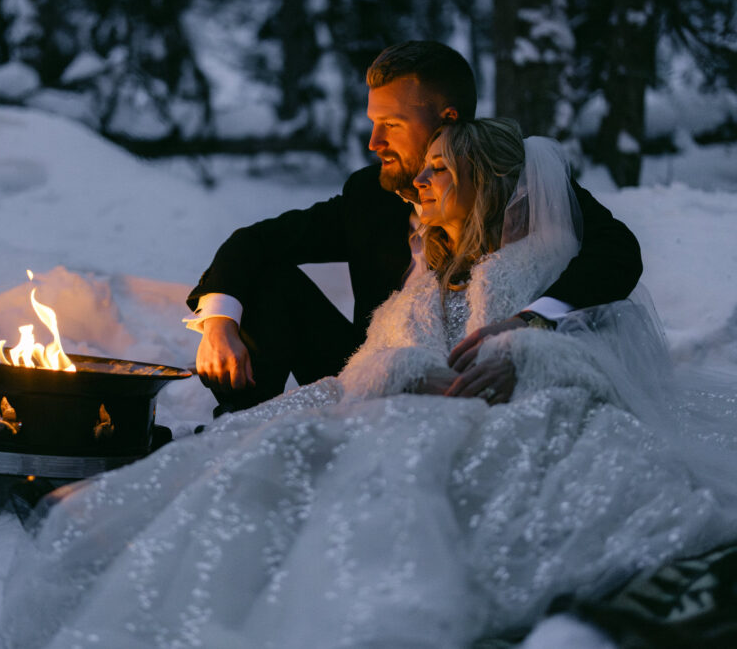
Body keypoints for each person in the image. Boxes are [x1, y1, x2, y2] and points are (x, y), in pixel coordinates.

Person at [2, 120, 737, 648]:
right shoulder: (424, 258)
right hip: (403, 404)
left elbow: (603, 340)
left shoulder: (553, 254)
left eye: (434, 165)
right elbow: (371, 335)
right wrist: (400, 373)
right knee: (282, 449)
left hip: (516, 412)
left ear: (484, 179)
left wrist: (532, 352)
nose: (409, 174)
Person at [187, 40, 642, 416]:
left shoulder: (516, 178)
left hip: (486, 380)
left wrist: (529, 324)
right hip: (371, 371)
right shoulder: (369, 192)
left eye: (391, 125)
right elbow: (257, 240)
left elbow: (617, 252)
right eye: (372, 124)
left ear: (447, 119)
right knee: (263, 278)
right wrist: (220, 322)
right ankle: (239, 425)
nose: (373, 142)